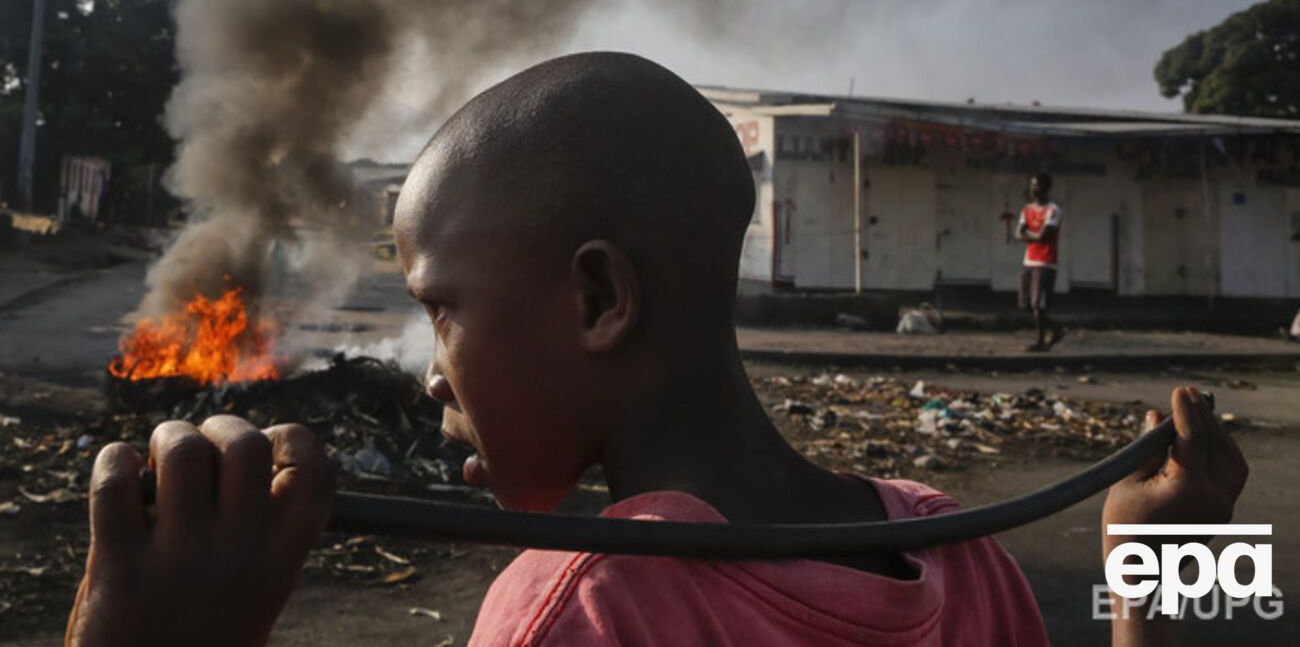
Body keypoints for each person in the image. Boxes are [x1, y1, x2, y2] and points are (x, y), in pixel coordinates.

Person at [65, 54, 1247, 646]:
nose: (430, 372)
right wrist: (1155, 577)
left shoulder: (580, 607)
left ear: (595, 298)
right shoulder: (960, 555)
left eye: (441, 310)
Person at [1016, 172, 1064, 351]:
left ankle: (1040, 341)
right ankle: (1056, 328)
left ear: (1046, 188)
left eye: (1037, 185)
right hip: (1029, 260)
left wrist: (1028, 234)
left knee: (1038, 304)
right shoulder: (1026, 210)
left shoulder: (1053, 210)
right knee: (1025, 303)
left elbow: (1044, 236)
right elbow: (1017, 233)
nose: (1033, 189)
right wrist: (1032, 235)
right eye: (1032, 185)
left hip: (1046, 262)